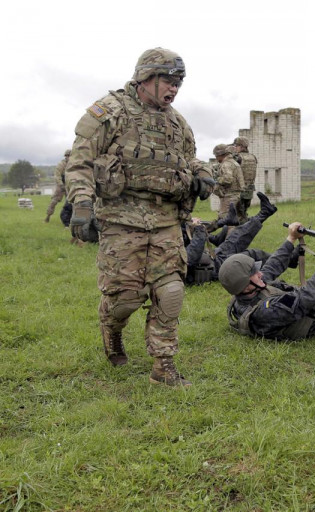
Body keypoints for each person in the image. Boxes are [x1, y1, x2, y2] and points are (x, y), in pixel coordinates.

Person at [65, 47, 215, 387]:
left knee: (172, 291)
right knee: (126, 298)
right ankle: (112, 328)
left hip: (165, 221)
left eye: (178, 82)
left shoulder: (177, 123)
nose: (174, 89)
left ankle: (163, 369)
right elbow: (81, 161)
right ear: (145, 77)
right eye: (168, 80)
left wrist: (204, 174)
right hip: (121, 221)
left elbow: (189, 159)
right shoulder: (110, 112)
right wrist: (83, 204)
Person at [185, 192, 278, 285]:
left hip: (213, 258)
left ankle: (264, 213)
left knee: (236, 237)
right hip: (213, 268)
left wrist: (190, 225)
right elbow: (192, 255)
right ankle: (284, 259)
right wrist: (198, 228)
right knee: (251, 254)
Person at [212, 144, 245, 227]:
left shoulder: (226, 164)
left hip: (229, 196)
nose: (216, 158)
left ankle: (229, 239)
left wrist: (216, 180)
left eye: (216, 156)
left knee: (226, 219)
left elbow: (228, 179)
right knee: (233, 219)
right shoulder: (233, 162)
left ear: (221, 154)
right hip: (236, 195)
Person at [232, 136, 258, 224]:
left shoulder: (238, 157)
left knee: (238, 213)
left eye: (236, 146)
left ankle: (242, 232)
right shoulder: (253, 157)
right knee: (244, 212)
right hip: (250, 189)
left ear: (242, 146)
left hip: (239, 189)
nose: (235, 148)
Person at [45, 149, 70, 223]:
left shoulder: (73, 164)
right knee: (54, 201)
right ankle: (48, 216)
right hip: (61, 184)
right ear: (65, 156)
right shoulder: (61, 164)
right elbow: (57, 175)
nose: (68, 157)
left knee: (71, 202)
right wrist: (61, 184)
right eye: (67, 156)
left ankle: (69, 219)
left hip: (69, 185)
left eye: (70, 156)